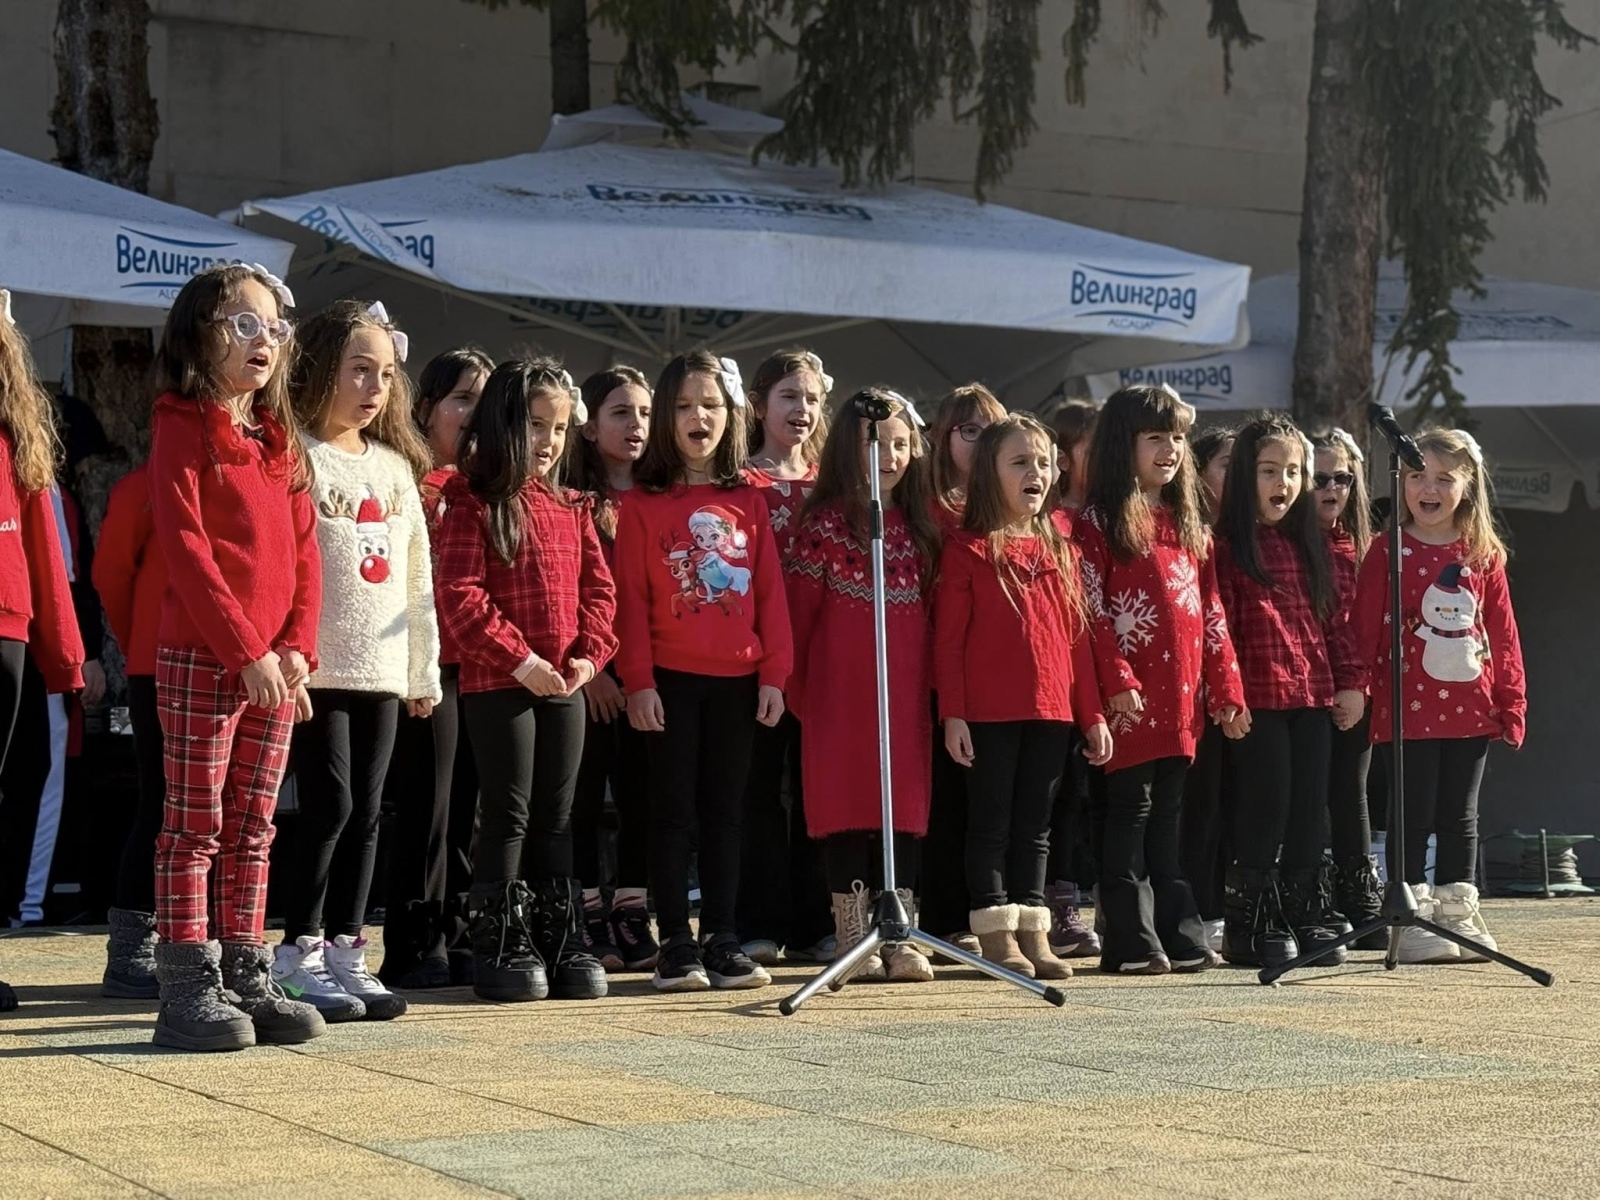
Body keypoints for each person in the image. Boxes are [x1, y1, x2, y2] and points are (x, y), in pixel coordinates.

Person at [145, 263, 324, 1051]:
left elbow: (307, 554)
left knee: (255, 824)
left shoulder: (278, 439)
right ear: (199, 335)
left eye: (273, 328)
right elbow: (187, 549)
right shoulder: (180, 423)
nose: (263, 341)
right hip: (203, 657)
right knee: (195, 825)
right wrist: (245, 650)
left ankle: (247, 971)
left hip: (271, 668)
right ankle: (186, 985)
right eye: (242, 324)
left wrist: (296, 648)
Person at [270, 301, 439, 1022]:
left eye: (387, 374)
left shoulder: (397, 468)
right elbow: (281, 565)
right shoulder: (294, 454)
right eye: (359, 370)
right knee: (329, 805)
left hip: (384, 669)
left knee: (369, 812)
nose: (374, 388)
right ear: (319, 370)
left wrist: (422, 671)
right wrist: (288, 656)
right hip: (318, 668)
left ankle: (346, 948)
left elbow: (417, 577)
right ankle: (296, 952)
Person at [433, 358, 615, 1003]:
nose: (549, 441)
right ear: (505, 424)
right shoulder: (470, 501)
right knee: (507, 814)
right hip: (500, 683)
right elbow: (460, 595)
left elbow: (599, 593)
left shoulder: (571, 507)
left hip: (564, 683)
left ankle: (560, 936)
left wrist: (588, 659)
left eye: (559, 429)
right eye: (536, 425)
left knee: (558, 817)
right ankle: (501, 941)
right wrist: (521, 661)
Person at [612, 350, 791, 992]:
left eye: (711, 405)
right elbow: (629, 601)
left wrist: (775, 674)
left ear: (730, 414)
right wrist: (638, 681)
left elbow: (769, 592)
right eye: (685, 406)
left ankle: (721, 937)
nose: (699, 417)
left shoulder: (749, 499)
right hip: (669, 680)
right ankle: (675, 945)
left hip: (738, 681)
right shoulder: (642, 504)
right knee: (671, 815)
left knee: (726, 814)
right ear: (665, 416)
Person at [1074, 385, 1245, 974]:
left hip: (1181, 699)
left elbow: (1212, 610)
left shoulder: (1188, 523)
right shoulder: (1097, 523)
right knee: (1129, 814)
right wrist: (1117, 676)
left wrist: (1226, 686)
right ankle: (1130, 939)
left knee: (1168, 819)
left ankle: (1177, 932)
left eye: (1177, 437)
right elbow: (1090, 609)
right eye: (1155, 437)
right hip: (1129, 699)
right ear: (1122, 445)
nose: (1170, 449)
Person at [935, 413, 1111, 980]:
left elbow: (1077, 641)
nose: (1035, 472)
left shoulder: (1062, 550)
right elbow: (949, 642)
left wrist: (1092, 714)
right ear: (990, 472)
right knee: (991, 823)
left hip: (1051, 710)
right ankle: (995, 931)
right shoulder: (967, 549)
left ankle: (1034, 927)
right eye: (1019, 462)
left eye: (1042, 462)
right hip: (988, 712)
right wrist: (953, 714)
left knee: (1036, 826)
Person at [1350, 427, 1525, 963]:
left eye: (1444, 478)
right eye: (1416, 476)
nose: (1429, 488)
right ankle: (1413, 913)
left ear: (1468, 485)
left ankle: (1456, 910)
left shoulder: (1481, 553)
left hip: (1471, 706)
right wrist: (1356, 685)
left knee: (1459, 815)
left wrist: (1512, 698)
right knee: (1412, 813)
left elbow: (1503, 632)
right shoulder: (1387, 550)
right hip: (1407, 707)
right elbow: (1363, 627)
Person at [786, 387, 941, 984]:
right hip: (839, 694)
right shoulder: (823, 525)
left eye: (901, 445)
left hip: (905, 696)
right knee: (847, 806)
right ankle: (854, 936)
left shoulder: (921, 526)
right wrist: (800, 690)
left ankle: (900, 931)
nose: (891, 457)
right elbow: (800, 617)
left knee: (903, 808)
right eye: (877, 445)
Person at [1213, 413, 1360, 970]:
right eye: (1269, 470)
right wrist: (1227, 694)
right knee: (1266, 803)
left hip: (1312, 693)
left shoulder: (1310, 546)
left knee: (1309, 807)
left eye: (1295, 472)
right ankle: (1249, 922)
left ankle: (1306, 909)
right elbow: (1218, 626)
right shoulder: (1226, 545)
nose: (1284, 483)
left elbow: (1335, 621)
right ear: (1244, 475)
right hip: (1258, 697)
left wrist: (1351, 682)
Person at [378, 345, 493, 989]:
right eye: (462, 399)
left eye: (485, 402)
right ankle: (414, 942)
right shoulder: (403, 477)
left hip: (485, 664)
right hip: (424, 663)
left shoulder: (490, 487)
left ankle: (460, 930)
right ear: (425, 408)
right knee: (430, 802)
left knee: (472, 806)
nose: (474, 414)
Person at [0, 289, 84, 1012]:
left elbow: (45, 557)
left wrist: (65, 658)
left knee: (19, 785)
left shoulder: (19, 435)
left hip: (11, 632)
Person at [737, 349, 834, 967]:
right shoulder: (737, 482)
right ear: (759, 405)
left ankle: (814, 921)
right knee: (758, 793)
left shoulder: (834, 485)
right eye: (790, 397)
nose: (802, 409)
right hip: (754, 661)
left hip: (823, 659)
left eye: (813, 399)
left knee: (815, 790)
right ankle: (757, 920)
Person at [566, 364, 658, 972]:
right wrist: (594, 668)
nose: (636, 425)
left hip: (651, 674)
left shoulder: (661, 497)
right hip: (586, 673)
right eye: (621, 413)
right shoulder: (571, 498)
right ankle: (587, 916)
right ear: (590, 425)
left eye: (645, 413)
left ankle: (632, 911)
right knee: (579, 799)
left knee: (641, 797)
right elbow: (566, 590)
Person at [920, 383, 1008, 955]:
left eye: (990, 431)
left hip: (994, 676)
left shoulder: (1007, 508)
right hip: (932, 668)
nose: (979, 442)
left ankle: (991, 913)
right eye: (968, 431)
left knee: (990, 805)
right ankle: (945, 917)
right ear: (942, 437)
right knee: (946, 799)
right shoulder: (925, 505)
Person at [95, 463, 169, 996]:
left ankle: (208, 940)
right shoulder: (142, 486)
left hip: (243, 666)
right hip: (157, 661)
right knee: (161, 803)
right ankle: (131, 949)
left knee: (228, 813)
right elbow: (112, 575)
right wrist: (139, 637)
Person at [1311, 429, 1385, 948]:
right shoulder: (1286, 544)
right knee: (1303, 796)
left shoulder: (1364, 547)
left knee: (1349, 792)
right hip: (1299, 688)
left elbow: (1364, 628)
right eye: (1319, 479)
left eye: (1342, 478)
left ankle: (1359, 896)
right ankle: (1312, 894)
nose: (1332, 488)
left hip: (1354, 690)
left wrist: (1356, 685)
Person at [1043, 397, 1101, 958]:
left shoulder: (1112, 516)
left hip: (1115, 678)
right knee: (1056, 796)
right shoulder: (1052, 521)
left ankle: (1105, 903)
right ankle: (1055, 905)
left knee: (1097, 799)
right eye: (1093, 446)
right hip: (1058, 680)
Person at [1180, 424, 1236, 950]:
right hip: (1189, 693)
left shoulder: (1258, 534)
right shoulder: (1190, 531)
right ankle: (1196, 908)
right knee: (1199, 805)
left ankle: (1226, 905)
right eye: (1226, 464)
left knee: (1232, 805)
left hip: (1246, 692)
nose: (1238, 476)